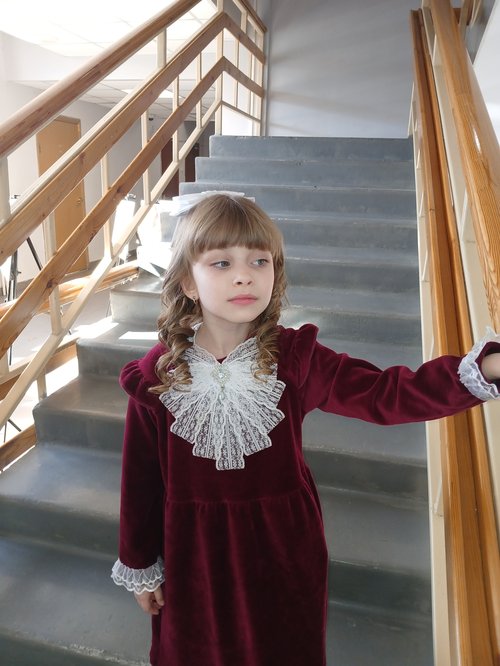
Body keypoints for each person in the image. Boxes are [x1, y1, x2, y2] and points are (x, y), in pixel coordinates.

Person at [111, 192, 500, 666]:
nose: (244, 275)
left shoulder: (296, 358)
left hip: (283, 549)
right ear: (188, 282)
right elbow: (141, 482)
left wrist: (485, 369)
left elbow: (385, 393)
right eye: (221, 262)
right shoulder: (157, 376)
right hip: (193, 554)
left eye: (259, 260)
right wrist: (140, 563)